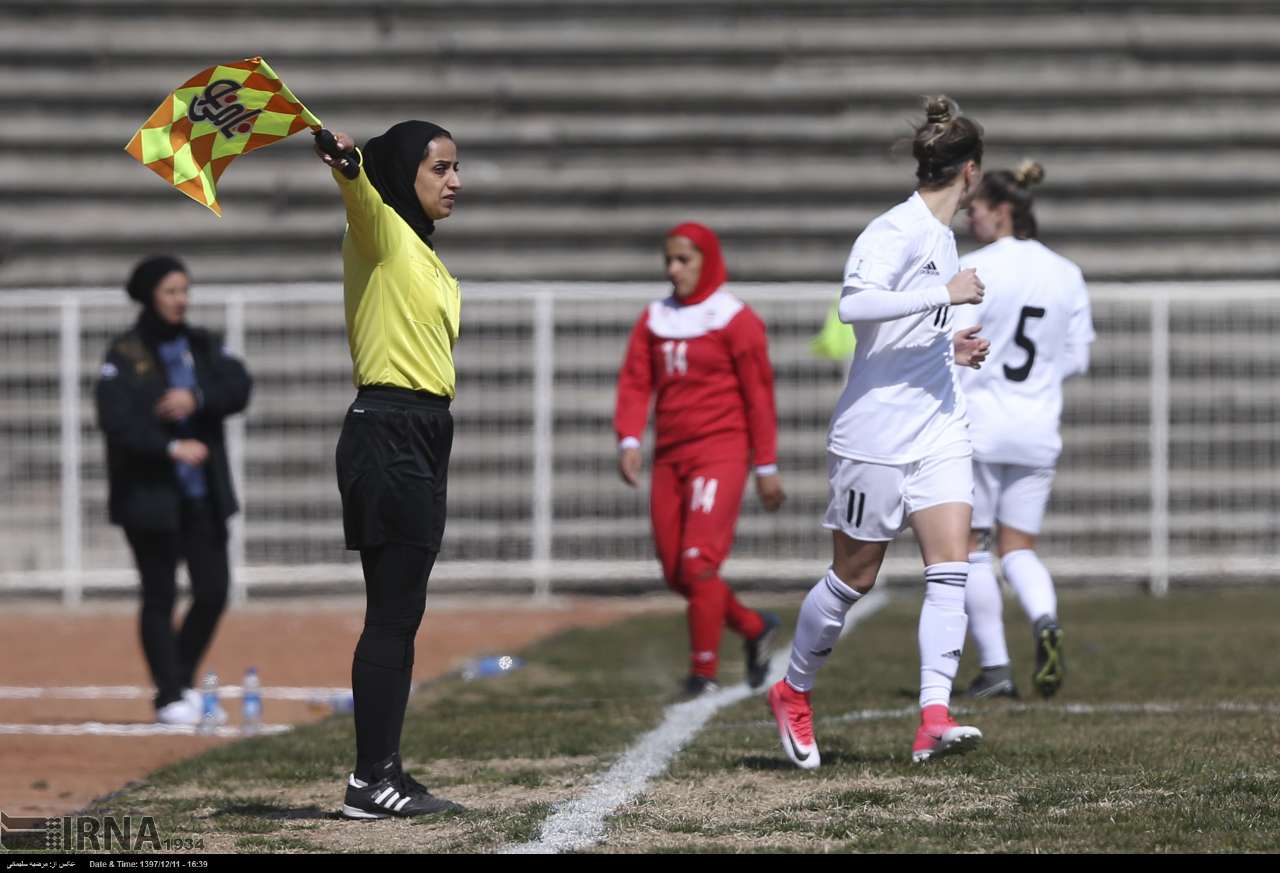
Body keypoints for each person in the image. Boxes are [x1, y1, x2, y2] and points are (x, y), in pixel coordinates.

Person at [767, 95, 992, 768]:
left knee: (951, 568)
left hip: (938, 427)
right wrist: (944, 297)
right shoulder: (893, 230)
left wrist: (949, 347)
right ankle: (793, 687)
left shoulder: (944, 236)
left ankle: (933, 715)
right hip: (875, 435)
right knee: (853, 577)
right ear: (971, 172)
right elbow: (856, 305)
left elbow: (905, 329)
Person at [315, 122, 464, 819]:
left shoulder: (424, 254)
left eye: (455, 168)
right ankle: (370, 779)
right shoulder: (378, 231)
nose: (453, 181)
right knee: (392, 613)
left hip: (423, 430)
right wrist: (348, 165)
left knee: (403, 613)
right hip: (390, 428)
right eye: (439, 168)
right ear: (402, 172)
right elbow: (360, 198)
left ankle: (383, 773)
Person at [614, 223, 785, 697]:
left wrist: (765, 466)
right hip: (670, 456)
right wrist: (629, 438)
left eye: (683, 260)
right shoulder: (655, 318)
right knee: (675, 572)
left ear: (707, 261)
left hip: (721, 451)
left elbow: (759, 394)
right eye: (668, 260)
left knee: (698, 563)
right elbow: (635, 380)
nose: (673, 270)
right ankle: (753, 627)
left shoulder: (734, 318)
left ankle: (703, 671)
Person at [953, 161, 1095, 700]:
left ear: (1003, 211)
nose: (970, 219)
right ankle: (1044, 617)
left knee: (971, 548)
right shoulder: (1066, 271)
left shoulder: (975, 268)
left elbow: (951, 340)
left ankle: (995, 669)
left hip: (980, 426)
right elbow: (1077, 356)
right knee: (1019, 549)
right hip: (1038, 428)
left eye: (976, 210)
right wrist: (1038, 379)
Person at [95, 255, 251, 726]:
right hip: (149, 498)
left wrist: (197, 398)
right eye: (171, 291)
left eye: (185, 290)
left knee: (213, 590)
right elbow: (116, 424)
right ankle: (169, 696)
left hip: (203, 494)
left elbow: (238, 385)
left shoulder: (202, 345)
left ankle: (179, 681)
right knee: (159, 593)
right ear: (149, 296)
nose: (182, 300)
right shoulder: (124, 354)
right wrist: (170, 448)